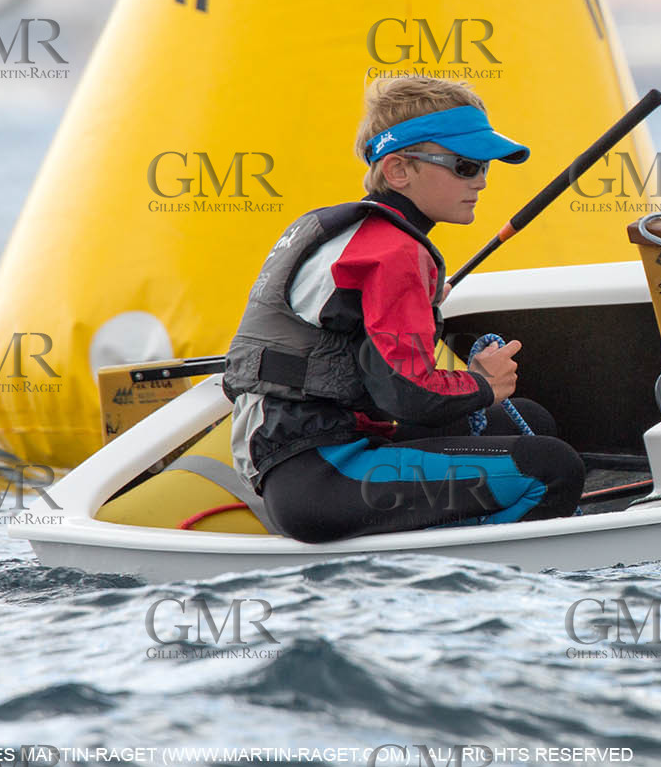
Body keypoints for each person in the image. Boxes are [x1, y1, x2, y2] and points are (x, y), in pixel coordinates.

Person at [223, 76, 585, 542]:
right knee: (552, 469)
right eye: (465, 165)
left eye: (485, 168)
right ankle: (482, 588)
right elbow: (410, 397)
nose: (481, 181)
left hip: (301, 460)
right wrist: (480, 384)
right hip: (320, 477)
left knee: (529, 420)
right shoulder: (394, 253)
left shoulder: (349, 233)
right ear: (398, 170)